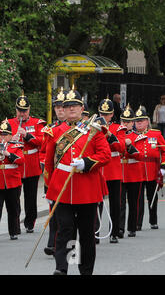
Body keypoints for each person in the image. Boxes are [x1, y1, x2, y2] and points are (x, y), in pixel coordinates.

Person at [44, 88, 112, 275]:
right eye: (67, 106)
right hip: (62, 189)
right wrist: (49, 190)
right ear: (62, 111)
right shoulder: (55, 132)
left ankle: (86, 270)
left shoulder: (94, 129)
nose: (71, 109)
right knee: (64, 229)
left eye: (75, 105)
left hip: (86, 188)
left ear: (82, 108)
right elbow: (49, 164)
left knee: (87, 234)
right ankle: (62, 268)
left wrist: (86, 163)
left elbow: (105, 155)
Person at [8, 92, 45, 234]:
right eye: (19, 111)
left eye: (24, 111)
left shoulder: (37, 123)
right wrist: (13, 137)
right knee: (14, 197)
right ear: (15, 110)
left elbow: (42, 142)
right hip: (15, 164)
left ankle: (30, 222)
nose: (22, 114)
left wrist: (27, 135)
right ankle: (15, 223)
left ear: (29, 110)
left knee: (30, 196)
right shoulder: (9, 123)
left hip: (30, 164)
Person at [41, 87, 67, 255]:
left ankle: (65, 244)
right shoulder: (51, 129)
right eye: (56, 107)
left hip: (68, 175)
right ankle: (53, 243)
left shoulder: (77, 129)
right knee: (53, 212)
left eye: (61, 107)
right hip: (52, 175)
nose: (59, 110)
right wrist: (43, 165)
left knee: (66, 216)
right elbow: (43, 152)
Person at [135, 105, 165, 230]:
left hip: (152, 169)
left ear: (147, 122)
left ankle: (153, 221)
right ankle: (137, 223)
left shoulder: (155, 134)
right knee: (138, 198)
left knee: (152, 197)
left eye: (141, 121)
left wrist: (164, 165)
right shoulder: (132, 135)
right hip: (137, 169)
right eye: (137, 121)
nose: (139, 123)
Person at [98, 97, 127, 243]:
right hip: (98, 168)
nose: (104, 117)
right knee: (96, 203)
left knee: (115, 203)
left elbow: (121, 147)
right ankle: (95, 232)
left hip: (113, 167)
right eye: (101, 114)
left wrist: (109, 135)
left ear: (112, 114)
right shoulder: (93, 126)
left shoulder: (118, 128)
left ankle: (114, 232)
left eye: (107, 114)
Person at [119, 105, 144, 238]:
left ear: (133, 122)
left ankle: (132, 227)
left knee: (133, 202)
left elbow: (140, 155)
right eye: (123, 121)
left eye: (128, 122)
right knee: (120, 202)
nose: (125, 124)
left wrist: (130, 145)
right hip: (120, 172)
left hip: (134, 172)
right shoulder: (117, 135)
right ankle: (120, 228)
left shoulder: (137, 136)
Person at [0, 119, 24, 240]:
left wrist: (8, 154)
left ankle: (13, 231)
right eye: (1, 134)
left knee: (13, 208)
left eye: (5, 134)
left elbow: (21, 160)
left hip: (12, 182)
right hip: (0, 182)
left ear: (10, 135)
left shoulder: (16, 146)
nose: (3, 137)